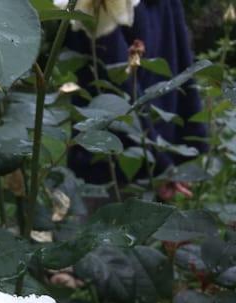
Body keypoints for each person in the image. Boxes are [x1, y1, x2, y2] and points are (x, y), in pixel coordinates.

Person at [65, 0, 208, 198]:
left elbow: (117, 81)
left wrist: (165, 164)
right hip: (142, 152)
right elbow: (183, 69)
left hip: (110, 158)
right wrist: (178, 153)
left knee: (109, 222)